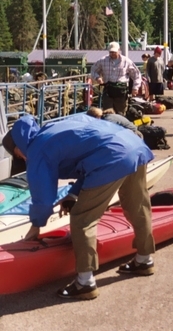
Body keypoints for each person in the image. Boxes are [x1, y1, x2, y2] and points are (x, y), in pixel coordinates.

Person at [2, 114, 155, 300]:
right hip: (134, 145)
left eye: (17, 155)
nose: (21, 158)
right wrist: (72, 194)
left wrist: (36, 226)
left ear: (18, 148)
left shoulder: (36, 149)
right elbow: (88, 159)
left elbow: (43, 195)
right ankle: (144, 260)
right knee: (137, 206)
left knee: (83, 220)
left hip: (113, 156)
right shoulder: (52, 130)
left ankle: (85, 282)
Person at [91, 41, 142, 116]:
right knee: (107, 113)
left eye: (114, 52)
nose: (113, 54)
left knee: (120, 113)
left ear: (118, 50)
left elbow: (136, 75)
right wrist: (97, 77)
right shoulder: (102, 61)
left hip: (121, 91)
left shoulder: (126, 61)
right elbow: (93, 70)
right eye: (111, 52)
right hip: (108, 90)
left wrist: (135, 88)